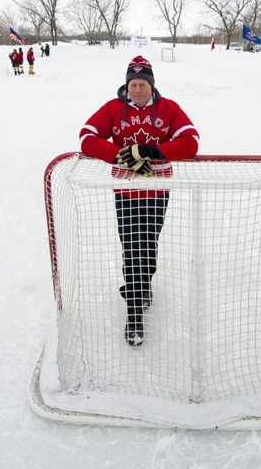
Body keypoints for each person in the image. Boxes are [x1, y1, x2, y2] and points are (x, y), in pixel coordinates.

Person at [79, 55, 199, 346]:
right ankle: (134, 309)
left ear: (151, 85)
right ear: (127, 85)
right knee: (131, 244)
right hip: (126, 190)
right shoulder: (113, 108)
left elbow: (191, 141)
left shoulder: (169, 108)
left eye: (142, 83)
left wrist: (158, 152)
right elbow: (86, 137)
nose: (137, 89)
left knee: (149, 242)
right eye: (132, 84)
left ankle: (142, 287)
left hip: (158, 189)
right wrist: (119, 155)